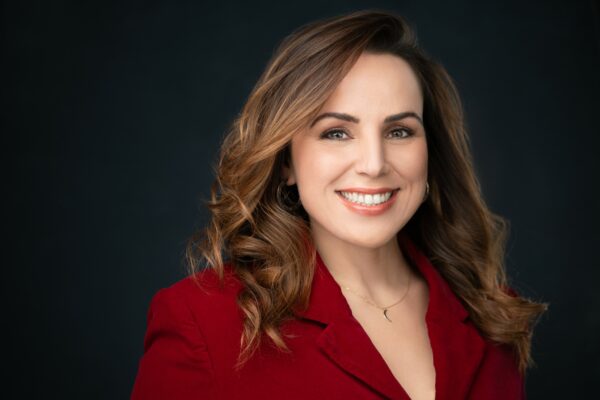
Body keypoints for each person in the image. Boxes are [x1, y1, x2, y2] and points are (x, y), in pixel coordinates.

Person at [131, 10, 547, 400]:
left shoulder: (492, 315)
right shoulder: (201, 322)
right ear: (286, 162)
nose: (374, 164)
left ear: (430, 152)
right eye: (336, 133)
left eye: (400, 131)